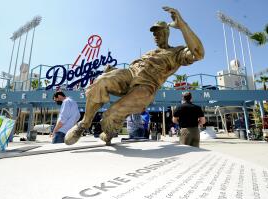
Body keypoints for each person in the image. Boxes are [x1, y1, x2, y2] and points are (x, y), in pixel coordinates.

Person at [65, 6, 204, 146]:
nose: (156, 36)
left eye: (159, 32)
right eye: (154, 33)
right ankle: (84, 124)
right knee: (100, 81)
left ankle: (109, 132)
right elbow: (135, 69)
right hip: (130, 74)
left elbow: (198, 53)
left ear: (167, 32)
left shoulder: (176, 52)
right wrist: (113, 71)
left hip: (147, 85)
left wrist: (182, 26)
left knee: (111, 114)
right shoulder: (150, 52)